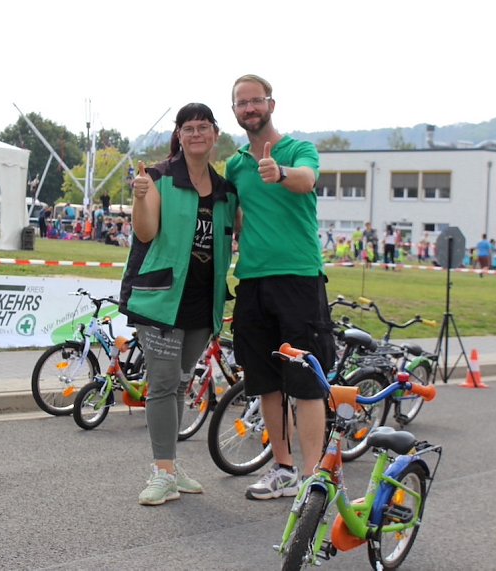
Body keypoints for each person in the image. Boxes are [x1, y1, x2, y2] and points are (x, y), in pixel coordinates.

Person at [119, 103, 238, 506]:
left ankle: (170, 465)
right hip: (161, 299)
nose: (196, 134)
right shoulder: (158, 178)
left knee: (181, 386)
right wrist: (139, 198)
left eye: (204, 127)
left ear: (215, 134)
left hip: (202, 306)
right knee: (164, 384)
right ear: (179, 135)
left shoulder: (225, 192)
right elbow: (146, 231)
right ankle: (162, 471)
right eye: (189, 128)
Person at [225, 74, 336, 500]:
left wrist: (280, 171)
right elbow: (234, 217)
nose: (249, 109)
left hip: (298, 278)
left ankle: (312, 477)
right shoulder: (235, 165)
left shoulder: (297, 150)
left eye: (256, 101)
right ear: (235, 111)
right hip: (252, 280)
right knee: (266, 382)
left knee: (305, 381)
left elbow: (307, 180)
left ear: (271, 104)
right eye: (241, 103)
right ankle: (283, 467)